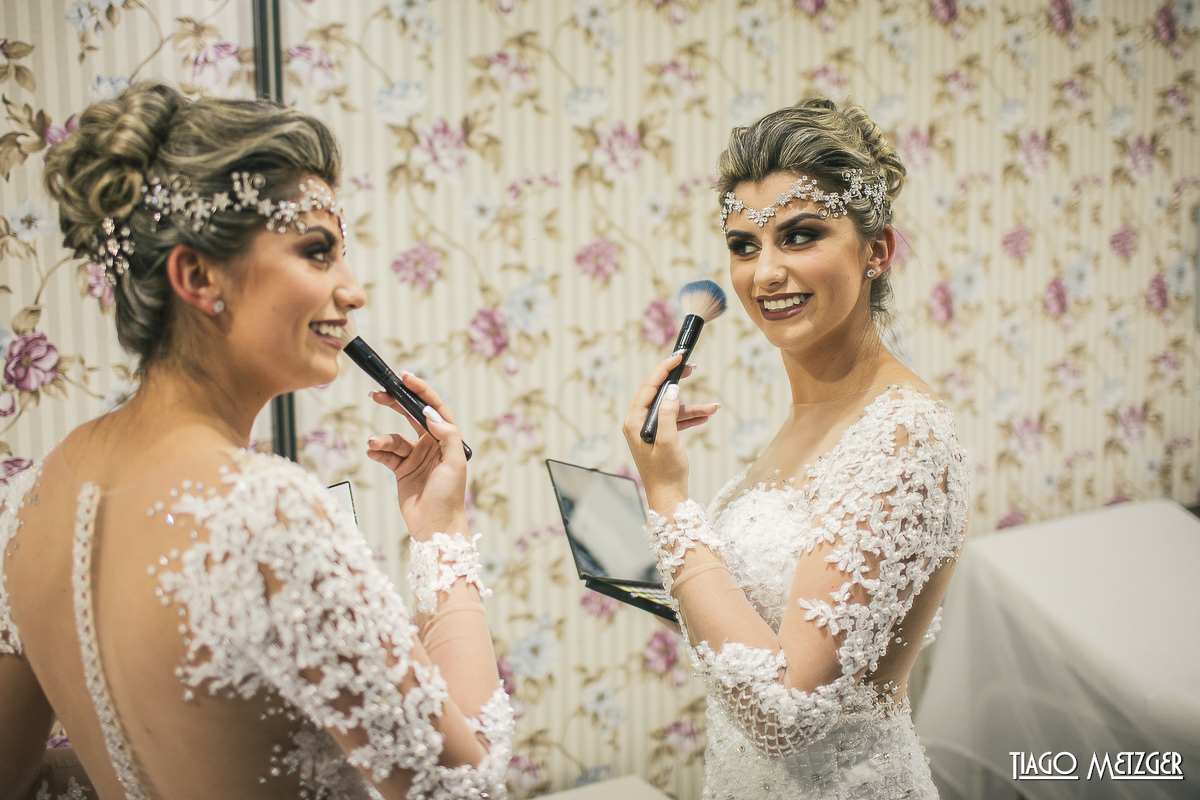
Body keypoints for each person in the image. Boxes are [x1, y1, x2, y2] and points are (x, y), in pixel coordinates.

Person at [0, 82, 511, 800]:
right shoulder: (267, 513)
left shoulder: (31, 502)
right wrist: (443, 533)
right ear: (198, 275)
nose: (354, 289)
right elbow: (469, 790)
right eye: (317, 251)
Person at [623, 98, 970, 799]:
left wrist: (667, 497)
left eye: (801, 235)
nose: (765, 273)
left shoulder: (905, 434)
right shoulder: (804, 418)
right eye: (745, 246)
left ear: (877, 250)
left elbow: (788, 712)